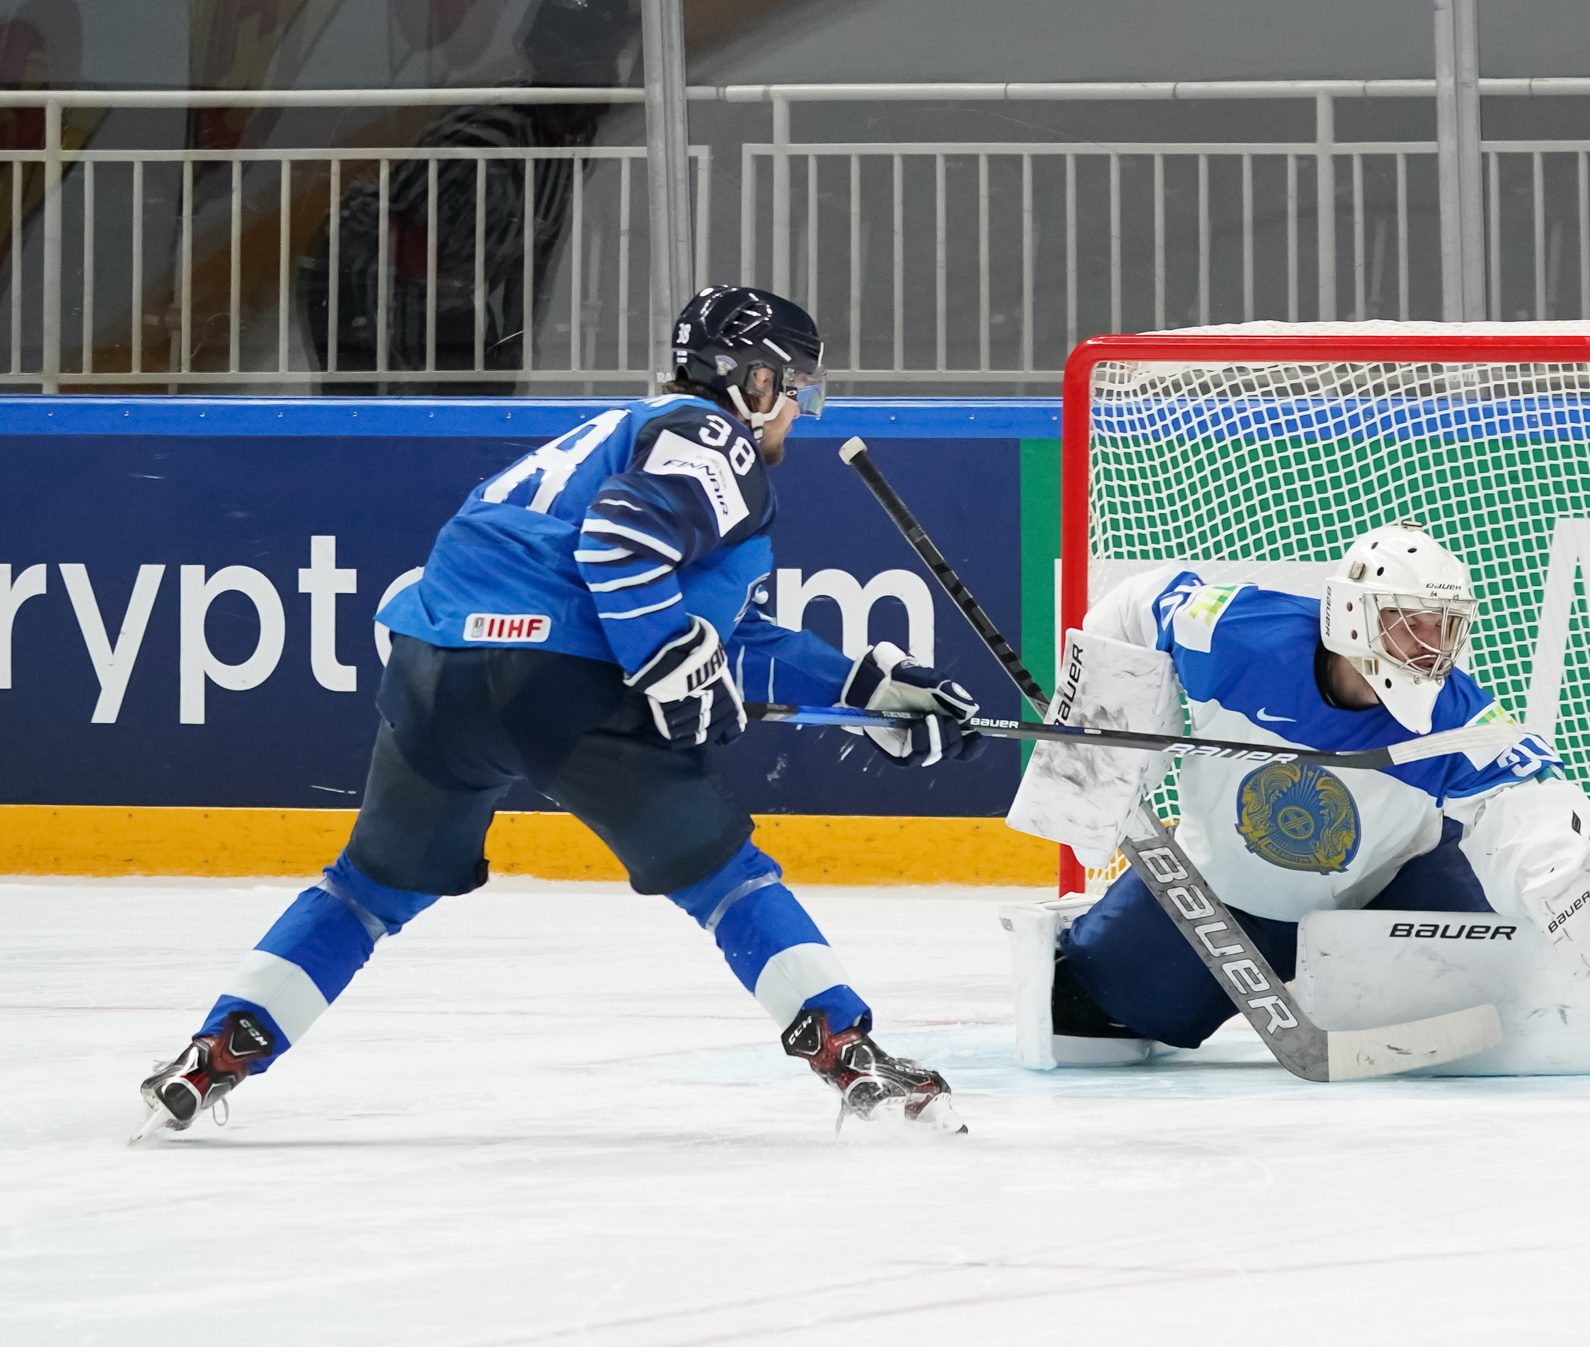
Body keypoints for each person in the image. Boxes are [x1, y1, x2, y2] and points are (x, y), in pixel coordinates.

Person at [134, 285, 984, 1141]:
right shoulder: (711, 436)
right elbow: (618, 545)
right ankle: (852, 1058)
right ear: (752, 382)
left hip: (434, 677)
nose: (799, 411)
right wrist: (667, 661)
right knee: (729, 882)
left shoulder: (614, 434)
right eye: (796, 386)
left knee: (365, 890)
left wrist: (863, 687)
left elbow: (727, 625)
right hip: (556, 679)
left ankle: (212, 1054)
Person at [1025, 523, 1590, 1058]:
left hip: (1392, 894)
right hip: (1222, 894)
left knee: (1493, 994)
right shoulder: (1244, 639)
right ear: (1354, 614)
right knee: (1095, 1013)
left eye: (1441, 627)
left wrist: (1559, 875)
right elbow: (1141, 605)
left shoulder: (1450, 715)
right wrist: (1099, 756)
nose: (1429, 645)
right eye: (1409, 621)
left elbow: (1523, 795)